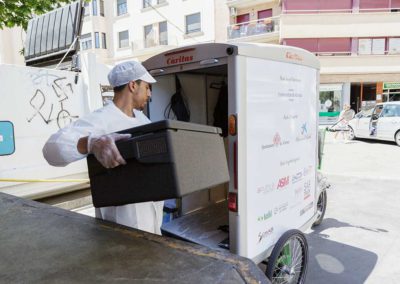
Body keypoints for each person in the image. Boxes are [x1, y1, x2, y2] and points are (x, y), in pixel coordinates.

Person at [42, 61, 164, 235]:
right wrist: (91, 143)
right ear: (132, 85)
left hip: (152, 223)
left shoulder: (144, 121)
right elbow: (51, 150)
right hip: (121, 228)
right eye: (147, 87)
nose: (149, 94)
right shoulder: (101, 120)